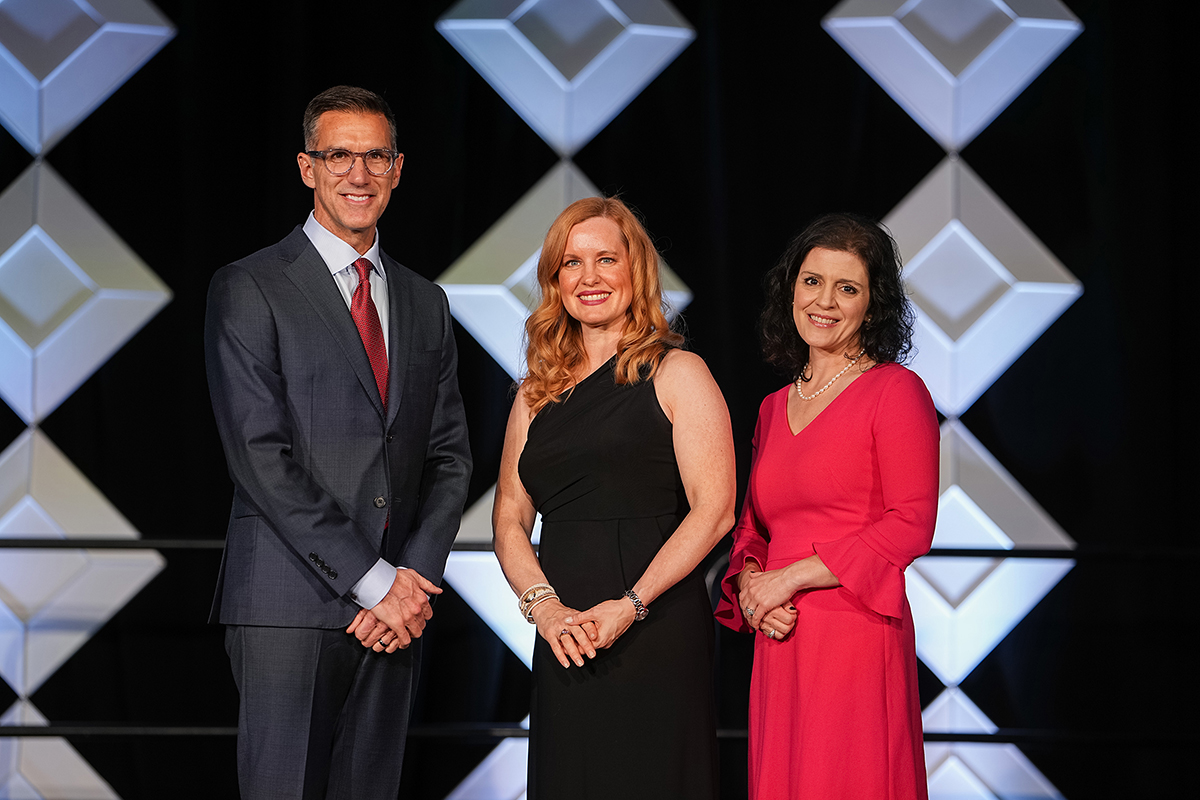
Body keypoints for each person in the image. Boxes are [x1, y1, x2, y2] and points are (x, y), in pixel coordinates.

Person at [204, 85, 471, 799]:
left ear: (398, 169)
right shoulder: (250, 286)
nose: (359, 173)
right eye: (339, 156)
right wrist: (374, 582)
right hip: (290, 606)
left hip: (396, 614)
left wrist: (410, 580)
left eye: (376, 156)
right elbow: (260, 457)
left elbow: (449, 456)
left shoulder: (425, 301)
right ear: (307, 167)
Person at [492, 197, 734, 799]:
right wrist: (545, 610)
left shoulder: (680, 372)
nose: (589, 277)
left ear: (636, 271)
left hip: (655, 626)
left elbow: (715, 510)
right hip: (564, 635)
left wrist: (631, 604)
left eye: (606, 259)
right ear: (555, 281)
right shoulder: (535, 393)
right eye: (571, 264)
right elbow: (510, 518)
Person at [715, 213, 939, 799]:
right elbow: (752, 527)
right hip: (780, 634)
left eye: (847, 288)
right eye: (812, 281)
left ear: (873, 304)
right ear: (791, 289)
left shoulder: (896, 392)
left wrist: (787, 579)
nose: (825, 302)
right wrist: (754, 588)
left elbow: (911, 523)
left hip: (854, 631)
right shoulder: (771, 407)